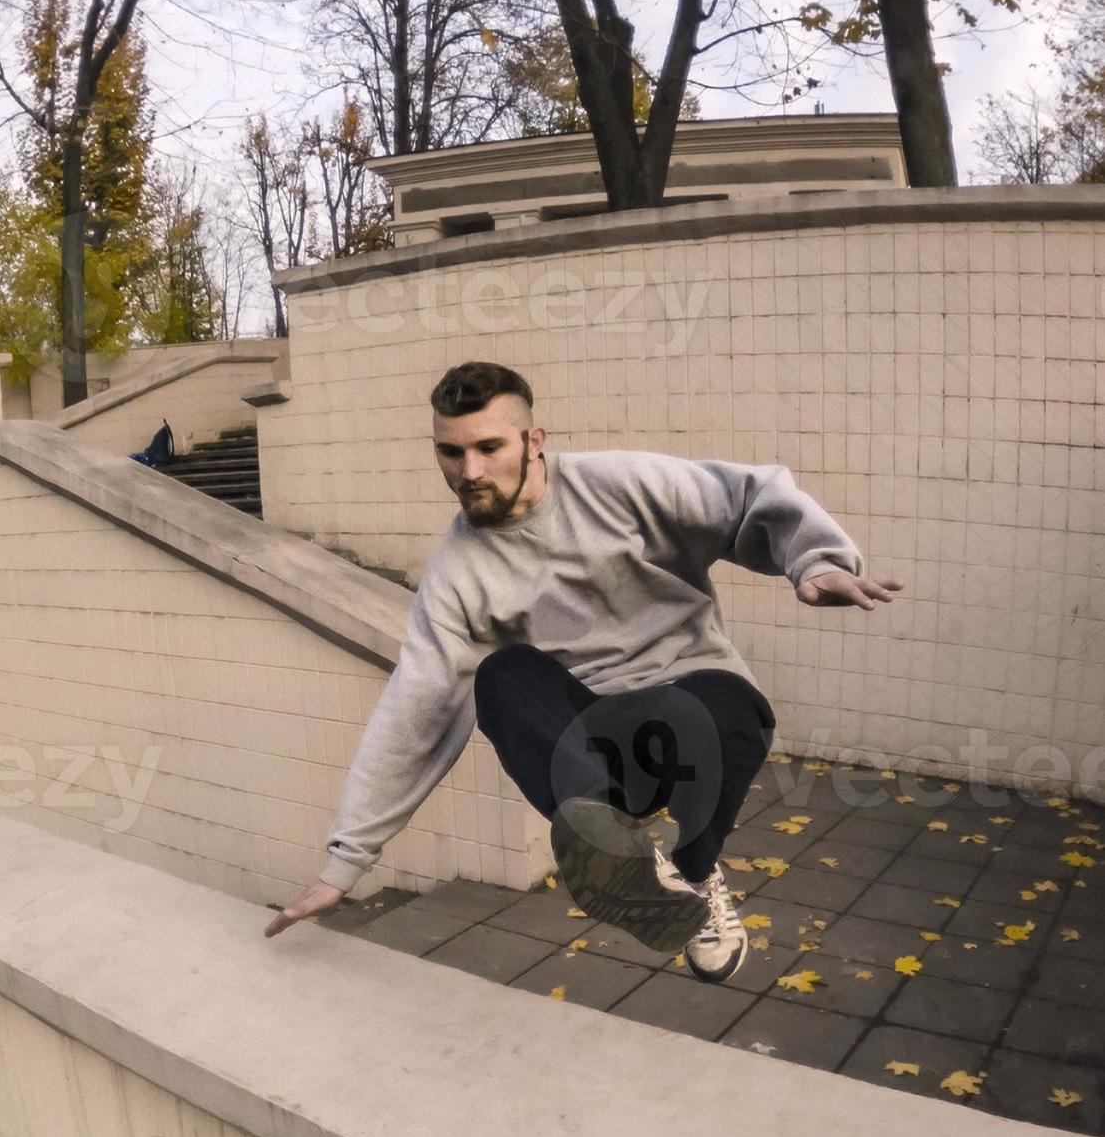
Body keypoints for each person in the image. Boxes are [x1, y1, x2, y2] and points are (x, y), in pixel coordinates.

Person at [264, 360, 903, 980]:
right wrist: (343, 866)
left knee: (732, 703)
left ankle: (694, 874)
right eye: (450, 453)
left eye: (489, 447)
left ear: (534, 441)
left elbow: (748, 495)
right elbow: (417, 707)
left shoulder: (619, 485)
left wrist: (812, 560)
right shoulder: (457, 571)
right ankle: (609, 853)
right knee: (501, 676)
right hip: (591, 747)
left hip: (687, 717)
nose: (470, 472)